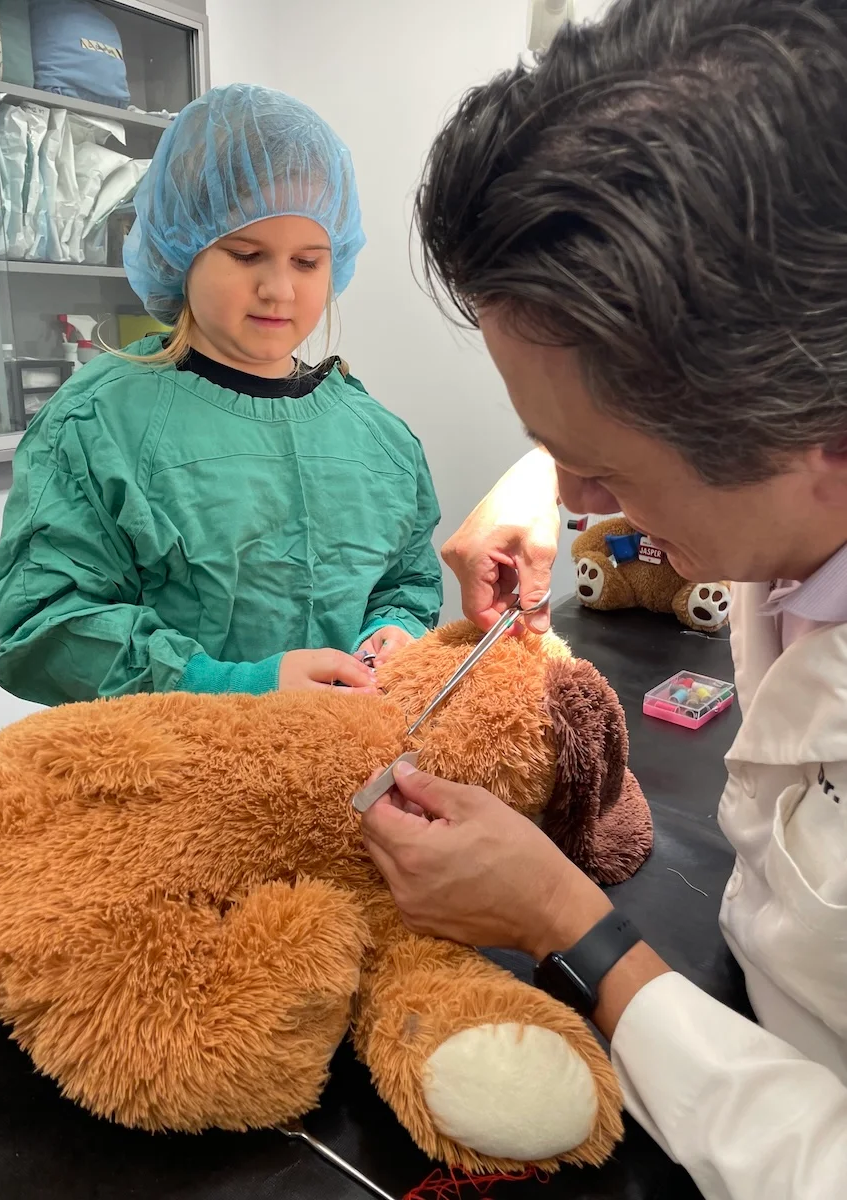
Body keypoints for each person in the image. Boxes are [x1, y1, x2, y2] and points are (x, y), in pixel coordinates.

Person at [361, 2, 847, 1197]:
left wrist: (568, 925)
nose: (578, 507)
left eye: (604, 467)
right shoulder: (781, 505)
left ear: (813, 431)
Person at [0, 85, 442, 706]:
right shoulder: (102, 423)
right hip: (170, 782)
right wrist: (227, 684)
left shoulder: (375, 436)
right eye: (247, 254)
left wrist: (394, 631)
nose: (279, 288)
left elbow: (406, 580)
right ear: (180, 251)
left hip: (348, 781)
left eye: (307, 262)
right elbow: (38, 623)